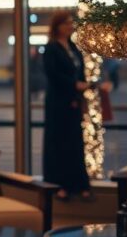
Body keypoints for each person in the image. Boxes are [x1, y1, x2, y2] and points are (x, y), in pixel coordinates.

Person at [42, 11, 108, 201]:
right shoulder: (51, 48)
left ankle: (78, 185)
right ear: (58, 26)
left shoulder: (73, 47)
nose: (71, 26)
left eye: (71, 23)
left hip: (73, 102)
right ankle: (59, 185)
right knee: (58, 143)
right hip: (57, 103)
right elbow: (53, 75)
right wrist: (74, 85)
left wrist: (82, 90)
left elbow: (79, 73)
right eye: (67, 23)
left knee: (75, 143)